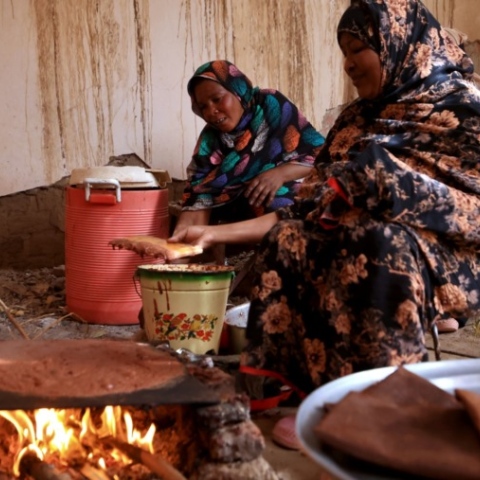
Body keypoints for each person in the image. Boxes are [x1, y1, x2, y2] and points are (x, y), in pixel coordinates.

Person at [170, 0, 480, 447]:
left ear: (397, 44)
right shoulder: (357, 118)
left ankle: (378, 403)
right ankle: (310, 389)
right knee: (291, 237)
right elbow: (306, 201)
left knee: (375, 240)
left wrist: (383, 184)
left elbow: (467, 205)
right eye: (344, 52)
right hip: (362, 232)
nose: (350, 64)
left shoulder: (461, 106)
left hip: (447, 250)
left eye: (359, 49)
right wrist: (208, 234)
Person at [173, 60, 325, 241]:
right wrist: (176, 248)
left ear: (238, 91)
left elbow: (322, 156)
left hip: (285, 191)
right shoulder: (211, 140)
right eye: (203, 106)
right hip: (241, 203)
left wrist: (279, 174)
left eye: (217, 99)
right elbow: (200, 192)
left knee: (283, 200)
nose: (211, 111)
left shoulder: (270, 105)